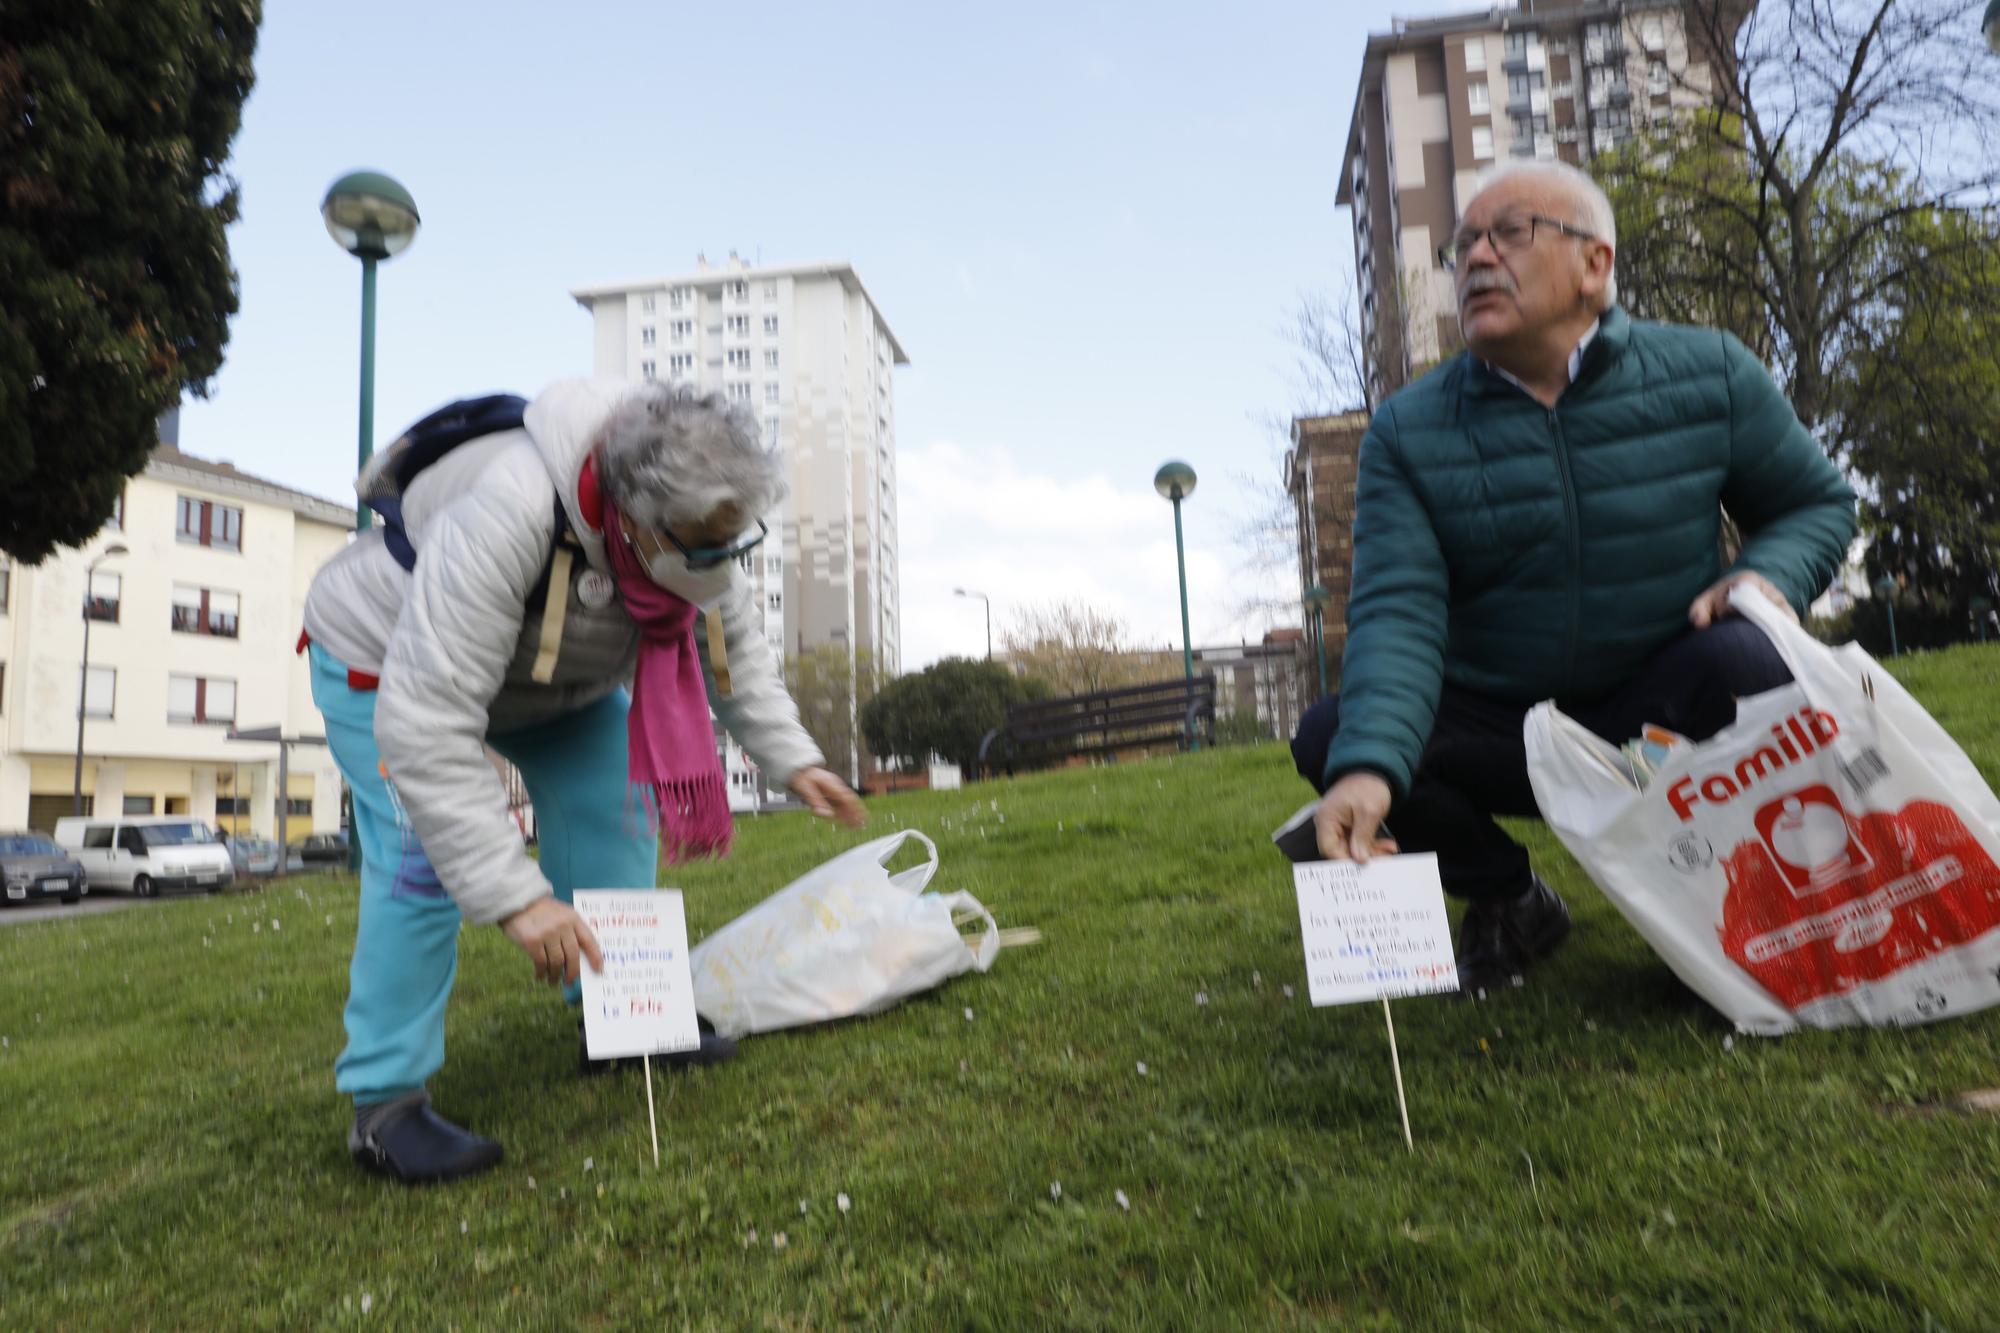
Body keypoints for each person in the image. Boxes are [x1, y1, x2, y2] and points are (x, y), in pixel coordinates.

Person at [1291, 160, 1856, 995]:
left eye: (1509, 232)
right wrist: (1369, 765)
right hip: (1506, 726)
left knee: (1752, 659)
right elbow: (1397, 612)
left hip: (1658, 710)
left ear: (1597, 264)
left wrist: (1765, 576)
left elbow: (1815, 503)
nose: (1477, 258)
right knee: (1336, 734)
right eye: (1462, 247)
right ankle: (1509, 897)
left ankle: (1748, 897)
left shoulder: (1711, 373)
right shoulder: (1407, 433)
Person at [302, 380, 866, 1183]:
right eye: (698, 550)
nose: (715, 569)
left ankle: (623, 1016)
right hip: (386, 661)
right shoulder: (511, 508)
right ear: (631, 519)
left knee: (619, 802)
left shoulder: (697, 526)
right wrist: (519, 898)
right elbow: (426, 721)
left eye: (730, 548)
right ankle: (386, 1104)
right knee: (418, 860)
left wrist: (797, 759)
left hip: (552, 685)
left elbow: (733, 658)